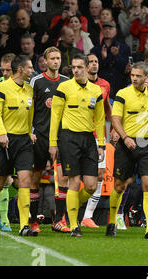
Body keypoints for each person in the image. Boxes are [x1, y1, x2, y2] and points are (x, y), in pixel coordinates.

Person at [108, 61, 148, 239]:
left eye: (138, 76)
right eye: (132, 75)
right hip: (127, 143)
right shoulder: (123, 94)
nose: (134, 78)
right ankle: (111, 221)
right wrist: (125, 137)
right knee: (119, 185)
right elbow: (115, 118)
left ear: (147, 77)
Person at [49, 53, 106, 237]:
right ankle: (74, 225)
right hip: (68, 138)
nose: (76, 70)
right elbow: (55, 116)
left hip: (88, 139)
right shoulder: (64, 87)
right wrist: (53, 142)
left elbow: (100, 119)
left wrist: (102, 144)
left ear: (87, 67)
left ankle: (69, 209)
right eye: (73, 67)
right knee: (73, 181)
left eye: (80, 67)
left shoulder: (96, 91)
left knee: (90, 185)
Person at [0, 55, 36, 236]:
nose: (32, 70)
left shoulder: (29, 89)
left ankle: (24, 226)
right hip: (5, 141)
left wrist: (30, 132)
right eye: (30, 68)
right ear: (20, 69)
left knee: (25, 180)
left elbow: (30, 115)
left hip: (23, 141)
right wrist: (3, 133)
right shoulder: (2, 87)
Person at [29, 46, 70, 233]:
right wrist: (30, 131)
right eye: (52, 58)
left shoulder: (67, 82)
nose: (55, 61)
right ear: (45, 61)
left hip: (61, 137)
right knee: (35, 179)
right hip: (40, 137)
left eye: (58, 58)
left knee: (62, 179)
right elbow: (29, 109)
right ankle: (33, 222)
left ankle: (59, 221)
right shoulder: (36, 81)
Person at [81, 53, 112, 228]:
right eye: (90, 62)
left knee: (100, 175)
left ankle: (87, 216)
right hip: (79, 134)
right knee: (76, 176)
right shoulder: (76, 84)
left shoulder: (105, 85)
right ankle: (69, 210)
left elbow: (107, 108)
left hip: (98, 135)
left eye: (96, 61)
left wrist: (114, 128)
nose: (94, 64)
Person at [90, 21, 131, 98]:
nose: (107, 30)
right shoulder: (95, 50)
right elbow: (93, 69)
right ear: (102, 31)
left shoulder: (125, 48)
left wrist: (116, 56)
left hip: (119, 85)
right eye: (105, 28)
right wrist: (103, 58)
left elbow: (126, 69)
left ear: (115, 31)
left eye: (110, 28)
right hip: (101, 85)